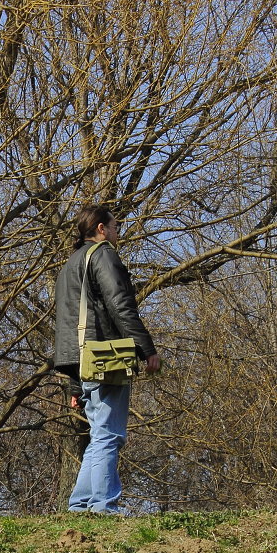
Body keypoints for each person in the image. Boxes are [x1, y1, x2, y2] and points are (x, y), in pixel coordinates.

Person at [54, 204, 161, 514]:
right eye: (114, 226)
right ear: (101, 228)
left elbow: (73, 326)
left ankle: (80, 505)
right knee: (109, 434)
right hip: (104, 356)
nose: (117, 231)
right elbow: (120, 304)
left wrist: (75, 385)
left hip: (82, 360)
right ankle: (102, 506)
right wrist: (146, 349)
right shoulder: (102, 254)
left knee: (100, 433)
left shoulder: (70, 264)